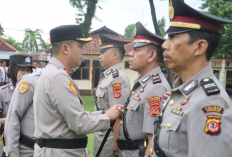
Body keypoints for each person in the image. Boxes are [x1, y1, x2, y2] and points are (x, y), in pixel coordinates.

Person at [151, 0, 232, 157]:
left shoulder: (209, 101)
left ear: (200, 47)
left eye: (173, 37)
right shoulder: (182, 93)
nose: (164, 45)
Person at [33, 25, 124, 157]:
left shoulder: (54, 74)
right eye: (80, 46)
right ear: (65, 48)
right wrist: (108, 116)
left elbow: (75, 115)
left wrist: (104, 113)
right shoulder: (57, 77)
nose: (83, 51)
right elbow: (80, 123)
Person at [117, 22, 171, 157]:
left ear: (151, 55)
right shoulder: (143, 84)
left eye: (136, 50)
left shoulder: (156, 87)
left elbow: (152, 142)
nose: (130, 54)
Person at [93, 35, 131, 157]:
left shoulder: (117, 78)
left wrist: (116, 149)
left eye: (103, 52)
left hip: (109, 141)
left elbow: (118, 116)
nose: (100, 56)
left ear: (115, 54)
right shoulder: (108, 76)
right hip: (102, 136)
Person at [0, 54, 33, 156]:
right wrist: (4, 121)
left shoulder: (36, 93)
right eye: (22, 70)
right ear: (13, 70)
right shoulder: (2, 93)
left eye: (29, 70)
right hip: (6, 148)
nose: (26, 74)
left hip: (30, 149)